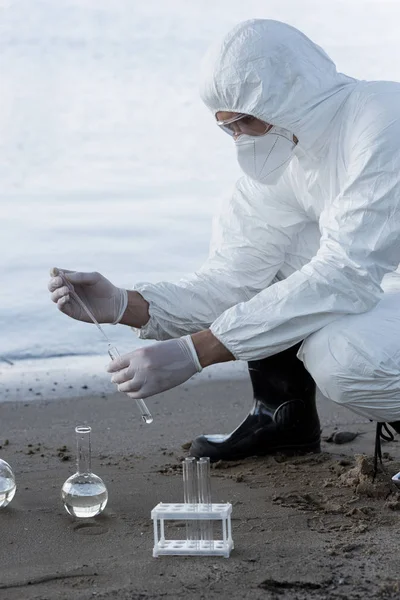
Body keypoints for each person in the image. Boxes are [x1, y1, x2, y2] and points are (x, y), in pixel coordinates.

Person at [49, 19, 400, 466]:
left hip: (370, 276)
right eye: (226, 126)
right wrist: (127, 305)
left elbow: (346, 273)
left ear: (288, 95)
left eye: (245, 120)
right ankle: (281, 416)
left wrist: (197, 352)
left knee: (344, 358)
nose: (238, 137)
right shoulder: (285, 159)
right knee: (276, 264)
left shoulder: (384, 120)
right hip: (385, 281)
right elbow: (236, 278)